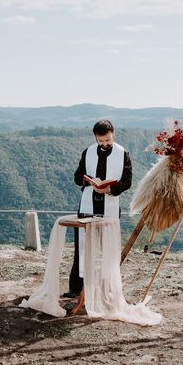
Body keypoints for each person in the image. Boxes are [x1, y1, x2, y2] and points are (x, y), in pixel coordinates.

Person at [63, 119, 132, 298]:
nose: (105, 144)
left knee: (108, 249)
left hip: (109, 206)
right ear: (95, 137)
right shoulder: (88, 152)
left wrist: (110, 188)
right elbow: (77, 177)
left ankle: (107, 287)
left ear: (113, 134)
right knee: (82, 248)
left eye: (108, 141)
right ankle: (76, 288)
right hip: (87, 205)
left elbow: (127, 181)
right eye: (101, 141)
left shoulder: (122, 153)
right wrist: (87, 180)